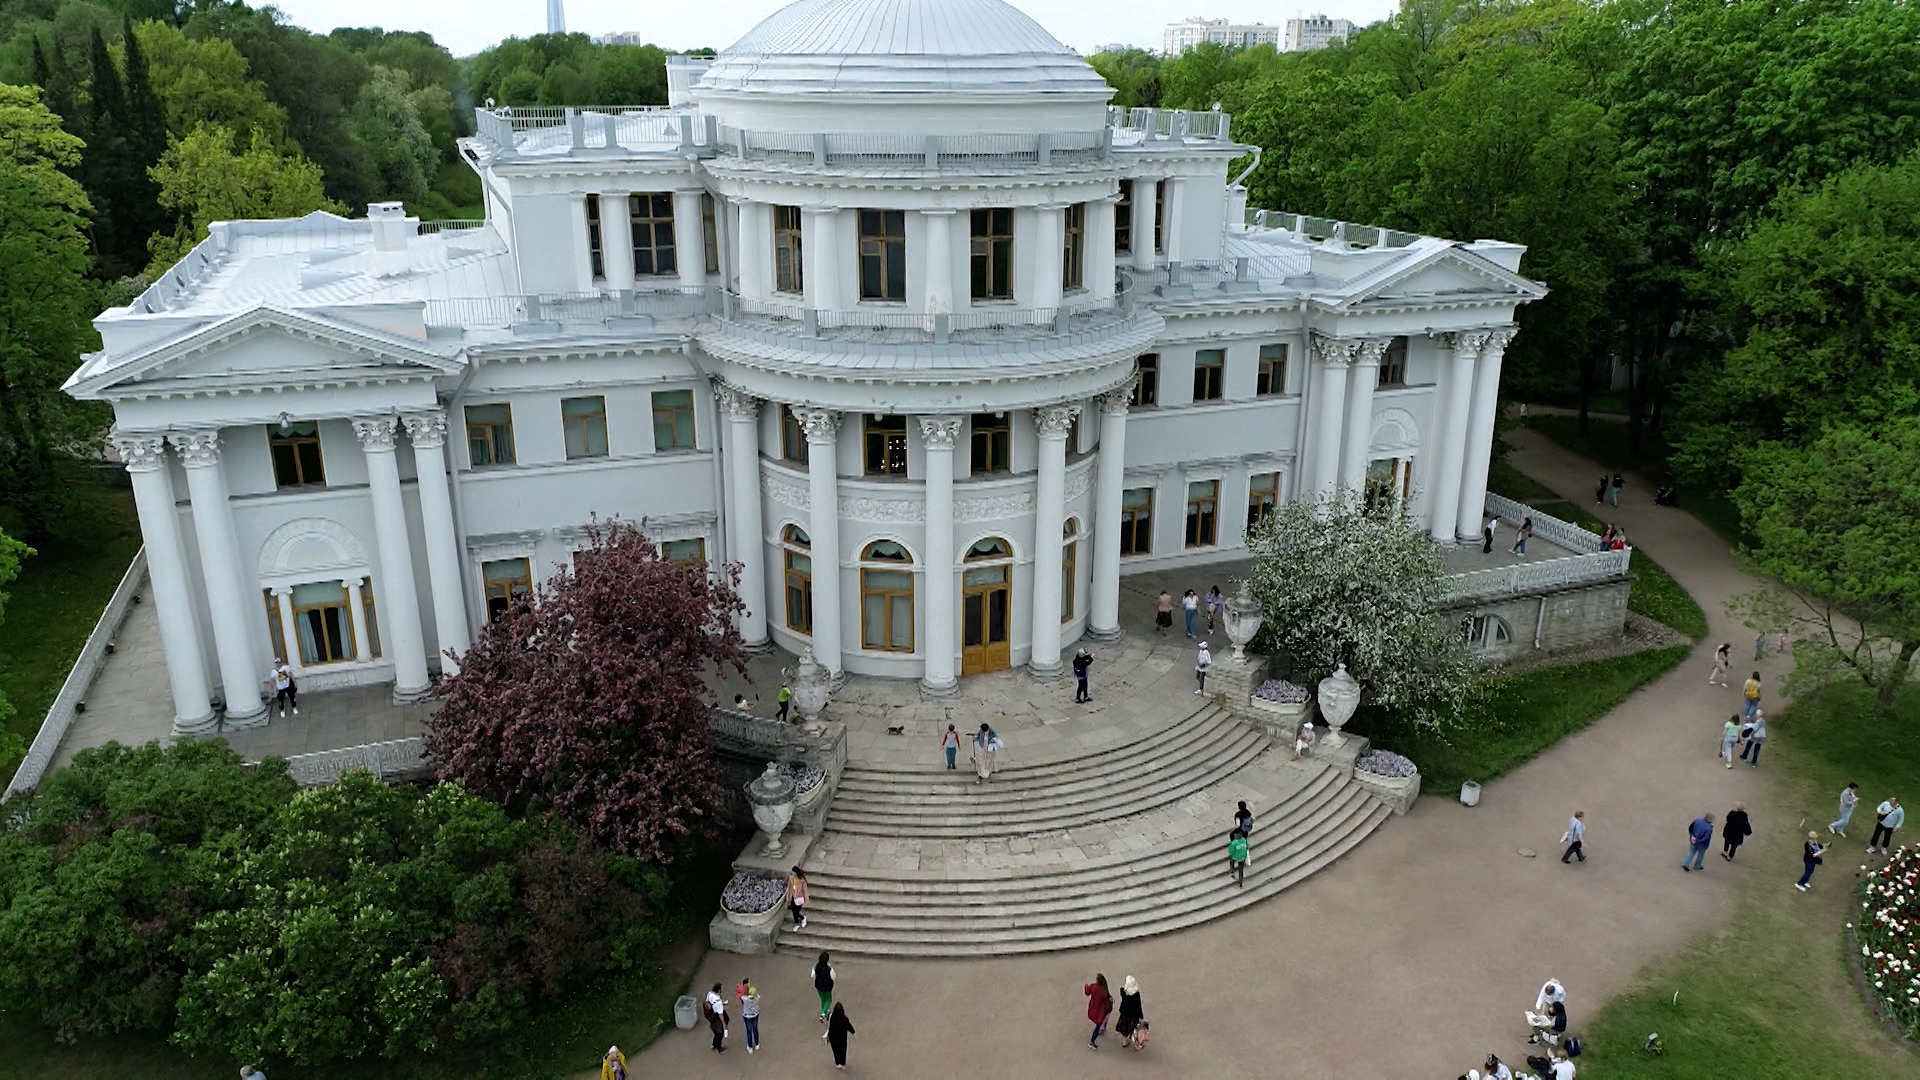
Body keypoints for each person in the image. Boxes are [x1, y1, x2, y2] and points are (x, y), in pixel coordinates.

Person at [1084, 973, 1113, 1049]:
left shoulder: (1094, 987)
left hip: (1094, 1008)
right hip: (1101, 1011)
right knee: (1098, 1025)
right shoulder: (1104, 990)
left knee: (1097, 1024)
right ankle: (1092, 1041)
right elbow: (1107, 1003)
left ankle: (1092, 1042)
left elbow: (1087, 991)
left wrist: (1086, 985)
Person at [1115, 976, 1144, 1049]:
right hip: (1133, 1016)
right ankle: (1137, 1045)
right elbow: (1138, 1006)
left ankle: (1125, 1042)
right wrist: (1141, 1016)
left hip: (1124, 1014)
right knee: (1135, 1030)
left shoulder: (1123, 993)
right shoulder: (1136, 995)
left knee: (1125, 1030)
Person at [825, 1001, 855, 1069]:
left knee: (835, 1050)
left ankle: (837, 1062)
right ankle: (842, 1062)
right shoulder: (844, 1018)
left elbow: (828, 1020)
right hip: (842, 1038)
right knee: (842, 1050)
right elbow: (848, 1026)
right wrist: (853, 1032)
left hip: (833, 1037)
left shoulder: (831, 1016)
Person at [737, 980, 762, 1053]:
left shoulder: (745, 999)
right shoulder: (757, 998)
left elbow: (740, 995)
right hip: (755, 1015)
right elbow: (757, 995)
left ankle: (750, 1047)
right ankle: (757, 1044)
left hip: (747, 1016)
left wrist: (744, 987)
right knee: (755, 1029)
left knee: (749, 1031)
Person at [704, 982, 729, 1053]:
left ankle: (714, 1044)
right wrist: (724, 1025)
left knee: (715, 1030)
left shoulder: (709, 993)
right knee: (720, 1032)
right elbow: (721, 1015)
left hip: (711, 1015)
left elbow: (707, 1002)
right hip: (716, 1016)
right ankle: (719, 1048)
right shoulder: (718, 1002)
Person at [812, 952, 835, 1023]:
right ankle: (823, 1014)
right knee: (829, 999)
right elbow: (833, 977)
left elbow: (812, 975)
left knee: (822, 998)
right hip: (827, 987)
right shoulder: (829, 968)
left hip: (818, 985)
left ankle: (825, 1010)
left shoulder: (815, 966)